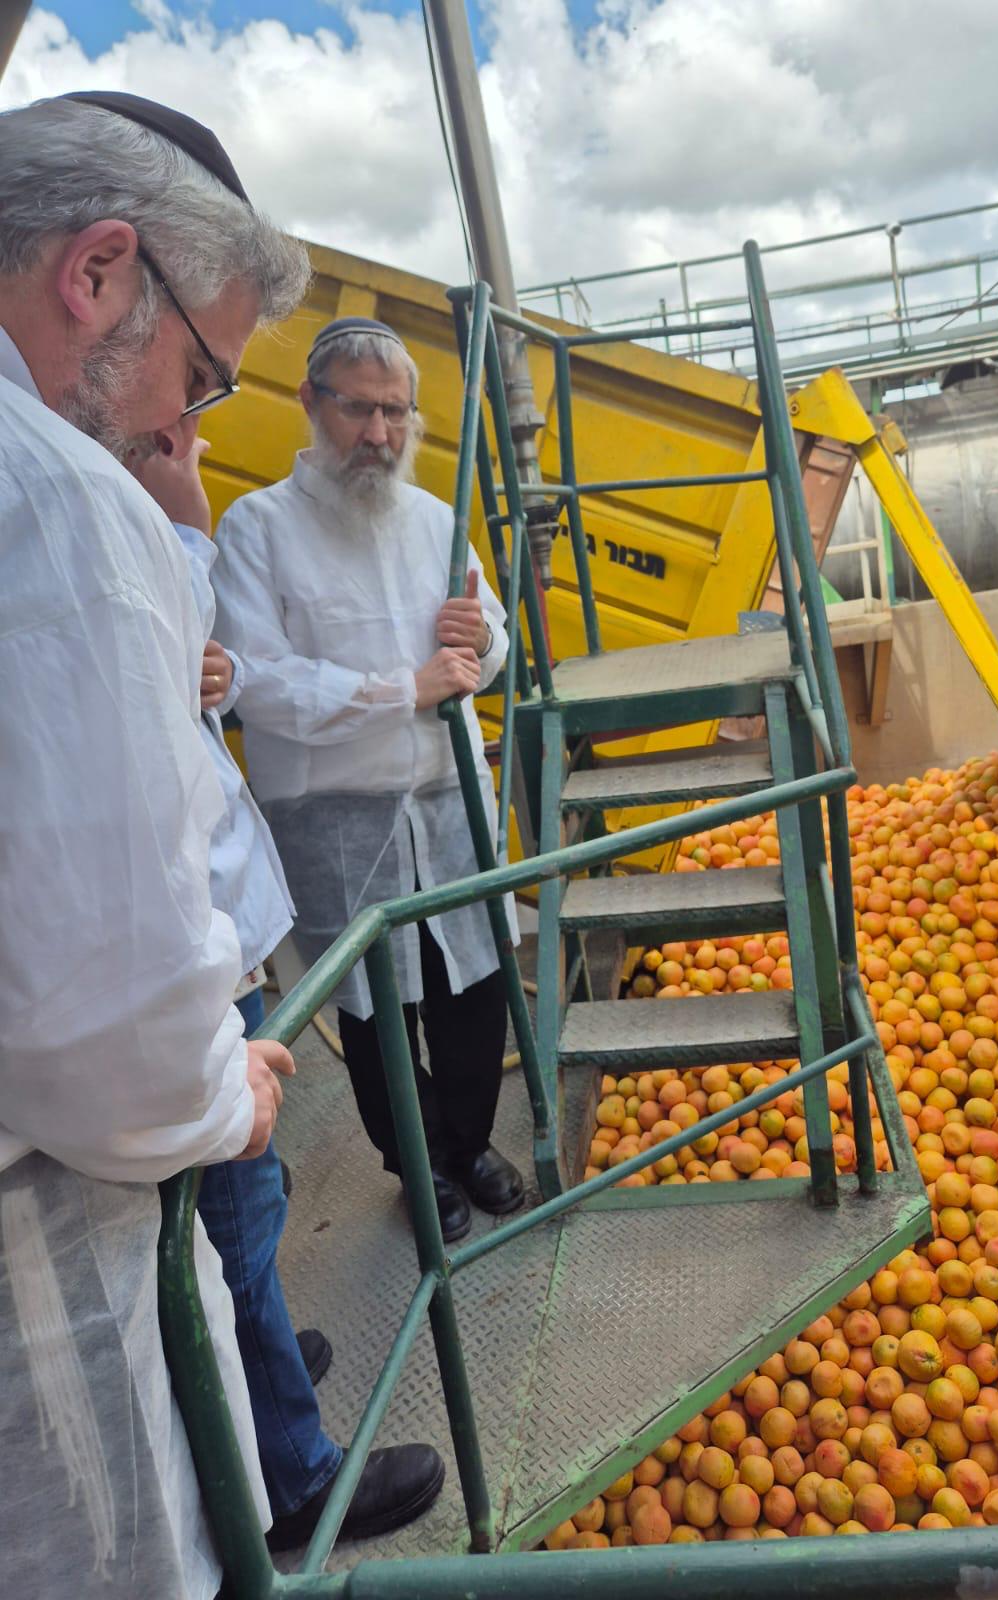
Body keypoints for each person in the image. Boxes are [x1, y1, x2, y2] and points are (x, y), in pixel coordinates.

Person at [0, 94, 436, 1597]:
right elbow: (104, 1000)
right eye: (196, 375)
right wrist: (212, 1088)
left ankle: (272, 1403)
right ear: (97, 273)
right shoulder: (62, 503)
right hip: (51, 1248)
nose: (176, 424)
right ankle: (294, 1473)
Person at [133, 437, 443, 1551]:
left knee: (245, 1209)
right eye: (186, 414)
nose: (199, 439)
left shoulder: (420, 518)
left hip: (221, 937)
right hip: (193, 955)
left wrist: (206, 672)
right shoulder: (204, 528)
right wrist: (184, 516)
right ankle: (296, 1478)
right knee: (229, 1207)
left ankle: (247, 1358)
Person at [213, 319, 524, 1243]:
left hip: (447, 798)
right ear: (311, 402)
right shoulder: (259, 527)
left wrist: (482, 640)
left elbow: (491, 644)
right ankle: (418, 1167)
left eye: (396, 413)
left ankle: (469, 1144)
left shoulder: (435, 520)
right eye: (358, 409)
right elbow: (256, 682)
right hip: (335, 816)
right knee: (378, 1006)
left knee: (474, 986)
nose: (379, 434)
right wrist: (401, 689)